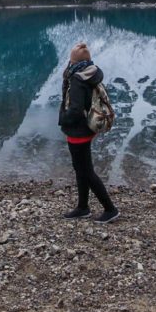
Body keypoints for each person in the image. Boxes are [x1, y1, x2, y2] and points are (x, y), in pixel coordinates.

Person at [58, 42, 119, 223]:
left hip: (78, 130)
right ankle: (82, 207)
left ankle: (110, 209)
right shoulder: (90, 72)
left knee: (85, 171)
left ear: (74, 61)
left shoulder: (77, 79)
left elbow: (76, 109)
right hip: (88, 127)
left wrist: (63, 120)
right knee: (81, 168)